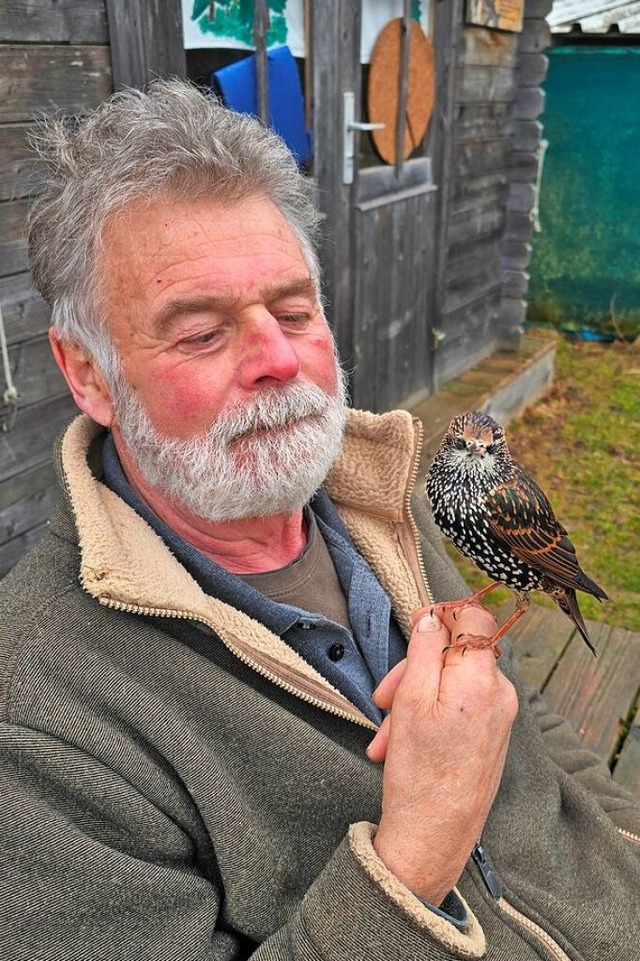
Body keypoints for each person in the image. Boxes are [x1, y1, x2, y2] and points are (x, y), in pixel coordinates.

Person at [0, 80, 638, 961]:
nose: (277, 359)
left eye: (294, 311)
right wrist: (413, 857)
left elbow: (522, 713)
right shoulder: (35, 719)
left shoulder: (384, 496)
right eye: (200, 332)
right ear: (89, 374)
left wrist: (622, 844)